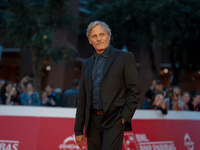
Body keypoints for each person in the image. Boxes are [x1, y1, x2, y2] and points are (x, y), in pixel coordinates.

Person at [74, 21, 140, 150]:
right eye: (94, 36)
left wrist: (124, 117)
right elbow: (82, 98)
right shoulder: (86, 64)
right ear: (89, 40)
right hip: (92, 121)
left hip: (114, 119)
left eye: (102, 34)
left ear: (109, 36)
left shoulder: (125, 57)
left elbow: (134, 90)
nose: (99, 39)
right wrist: (78, 130)